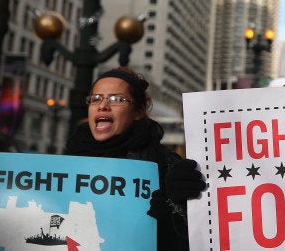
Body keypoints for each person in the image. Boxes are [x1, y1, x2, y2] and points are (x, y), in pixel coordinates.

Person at [65, 67, 205, 250]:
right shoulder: (71, 160)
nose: (103, 105)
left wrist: (176, 202)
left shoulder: (168, 165)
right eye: (95, 98)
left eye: (116, 99)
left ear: (138, 111)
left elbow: (191, 238)